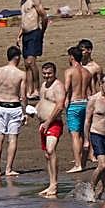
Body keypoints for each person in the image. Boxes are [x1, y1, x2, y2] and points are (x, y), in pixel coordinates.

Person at [0, 46, 26, 178]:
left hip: (1, 105)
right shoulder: (21, 74)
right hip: (14, 106)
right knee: (12, 138)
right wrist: (25, 112)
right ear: (17, 57)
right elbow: (23, 95)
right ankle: (9, 169)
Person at [36, 62, 66, 199]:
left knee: (50, 150)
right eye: (44, 73)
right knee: (47, 155)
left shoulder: (58, 86)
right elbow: (42, 102)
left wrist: (48, 122)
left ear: (54, 73)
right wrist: (34, 111)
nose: (47, 76)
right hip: (43, 124)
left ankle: (54, 184)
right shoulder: (43, 85)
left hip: (54, 123)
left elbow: (60, 106)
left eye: (49, 73)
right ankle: (51, 183)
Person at [15, 0, 47, 102]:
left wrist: (42, 31)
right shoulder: (22, 2)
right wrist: (19, 35)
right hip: (26, 34)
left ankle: (37, 89)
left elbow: (43, 16)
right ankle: (29, 91)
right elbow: (24, 20)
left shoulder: (34, 0)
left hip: (34, 32)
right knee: (26, 64)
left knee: (31, 62)